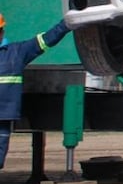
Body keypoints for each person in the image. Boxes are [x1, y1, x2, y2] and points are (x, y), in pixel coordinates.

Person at [0, 13, 71, 170]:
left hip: (3, 117)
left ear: (2, 32)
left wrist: (66, 24)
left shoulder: (17, 52)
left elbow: (45, 40)